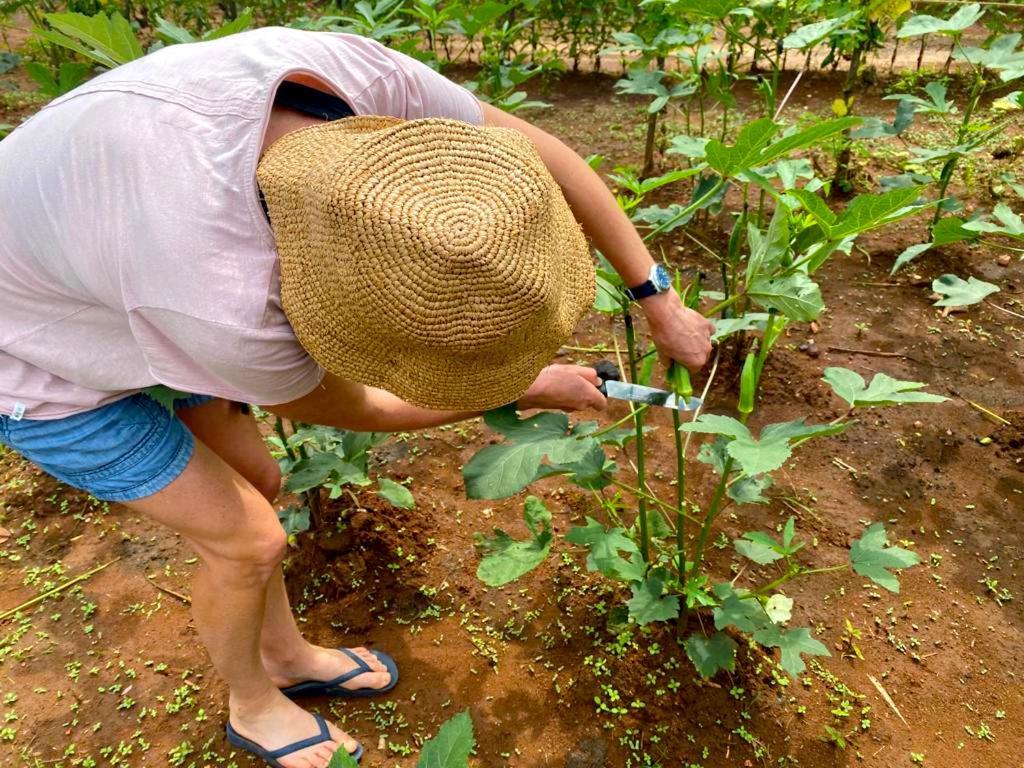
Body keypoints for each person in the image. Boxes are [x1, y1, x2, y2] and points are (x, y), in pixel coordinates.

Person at [0, 26, 714, 767]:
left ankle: (282, 655)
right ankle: (253, 705)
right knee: (247, 540)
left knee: (262, 479)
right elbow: (364, 409)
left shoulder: (351, 78)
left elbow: (544, 150)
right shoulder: (225, 305)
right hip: (27, 350)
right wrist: (531, 384)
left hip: (93, 253)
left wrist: (655, 296)